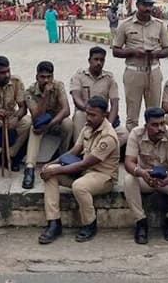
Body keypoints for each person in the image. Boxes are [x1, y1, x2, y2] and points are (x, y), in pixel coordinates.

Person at [39, 96, 120, 244]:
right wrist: (51, 164)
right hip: (84, 173)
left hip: (103, 177)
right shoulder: (88, 127)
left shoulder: (108, 136)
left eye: (93, 115)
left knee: (79, 186)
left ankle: (89, 224)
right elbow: (74, 151)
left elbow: (84, 164)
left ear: (105, 115)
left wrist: (57, 170)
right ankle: (54, 223)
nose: (88, 117)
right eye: (87, 113)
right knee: (49, 173)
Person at [123, 107, 168, 244]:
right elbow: (129, 162)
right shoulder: (136, 134)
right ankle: (141, 222)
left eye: (162, 124)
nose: (160, 128)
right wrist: (141, 172)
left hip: (167, 180)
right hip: (145, 178)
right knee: (129, 180)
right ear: (146, 125)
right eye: (155, 125)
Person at [113, 0, 168, 130]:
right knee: (132, 116)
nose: (148, 9)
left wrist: (156, 54)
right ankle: (131, 146)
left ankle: (154, 145)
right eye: (144, 5)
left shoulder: (159, 25)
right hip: (134, 73)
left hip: (154, 71)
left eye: (150, 5)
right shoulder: (125, 25)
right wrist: (133, 52)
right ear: (137, 5)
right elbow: (116, 50)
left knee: (155, 114)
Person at [22, 61, 73, 189]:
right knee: (35, 129)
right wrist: (44, 95)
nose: (46, 80)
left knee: (68, 123)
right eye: (42, 77)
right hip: (40, 123)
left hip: (54, 122)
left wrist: (49, 125)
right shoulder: (29, 92)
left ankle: (64, 159)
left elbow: (66, 110)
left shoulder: (58, 86)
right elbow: (37, 117)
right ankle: (29, 169)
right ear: (36, 77)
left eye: (49, 77)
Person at [69, 46, 126, 146]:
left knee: (124, 134)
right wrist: (89, 111)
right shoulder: (79, 76)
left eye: (102, 60)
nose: (99, 63)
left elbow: (115, 104)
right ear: (89, 60)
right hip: (85, 114)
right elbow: (76, 98)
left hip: (102, 117)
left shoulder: (109, 78)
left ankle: (99, 150)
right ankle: (80, 150)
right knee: (79, 115)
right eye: (96, 59)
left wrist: (109, 125)